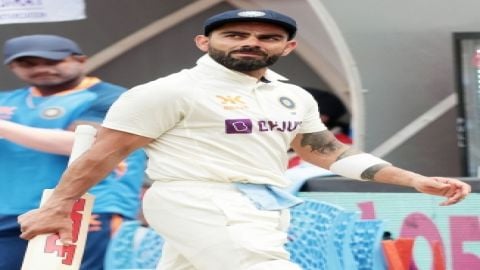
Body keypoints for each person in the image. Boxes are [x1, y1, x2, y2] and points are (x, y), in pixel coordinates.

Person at [18, 10, 470, 270]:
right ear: (203, 41)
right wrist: (58, 205)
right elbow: (105, 153)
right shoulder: (167, 91)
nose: (251, 42)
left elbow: (327, 151)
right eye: (235, 35)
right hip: (195, 198)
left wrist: (413, 180)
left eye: (267, 37)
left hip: (262, 203)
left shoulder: (291, 95)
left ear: (287, 47)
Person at [0, 34, 146, 270]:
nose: (41, 69)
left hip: (85, 207)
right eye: (28, 64)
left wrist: (3, 127)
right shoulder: (6, 100)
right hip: (9, 212)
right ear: (12, 67)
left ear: (81, 60)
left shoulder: (112, 97)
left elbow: (84, 144)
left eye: (52, 61)